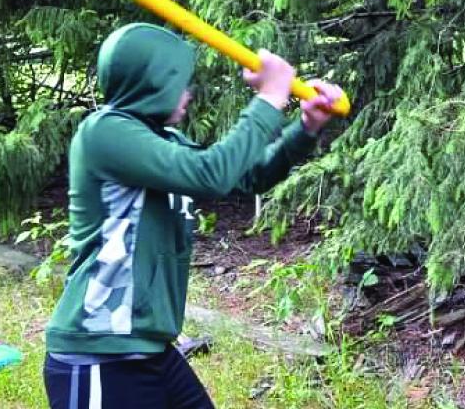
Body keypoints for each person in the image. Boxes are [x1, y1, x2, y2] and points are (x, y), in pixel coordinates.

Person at [42, 23, 342, 408]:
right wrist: (269, 97)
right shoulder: (104, 133)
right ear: (151, 84)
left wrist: (306, 127)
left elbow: (248, 175)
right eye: (178, 83)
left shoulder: (166, 142)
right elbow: (209, 176)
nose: (188, 93)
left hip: (149, 350)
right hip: (100, 353)